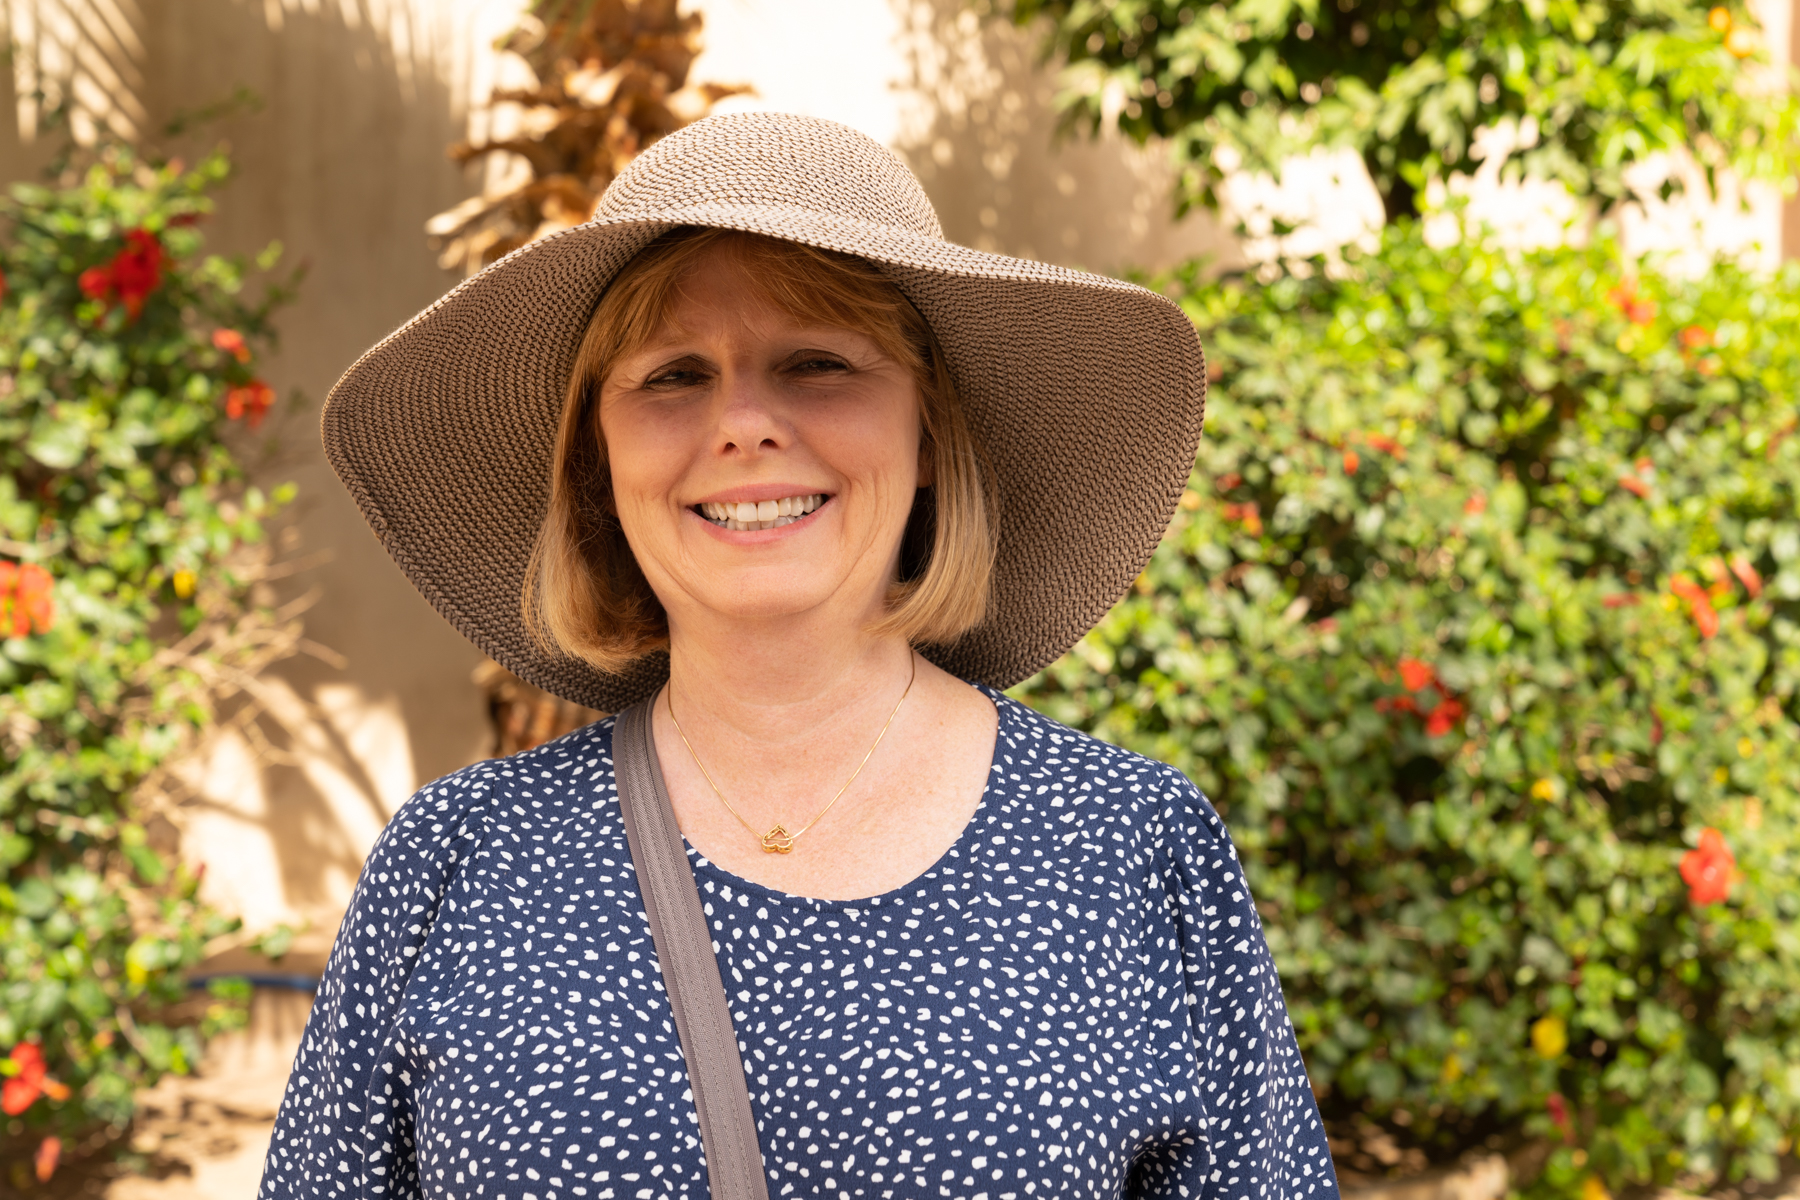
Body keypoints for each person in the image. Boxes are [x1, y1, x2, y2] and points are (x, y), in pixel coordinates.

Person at [258, 112, 1338, 1199]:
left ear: (930, 432)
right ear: (599, 452)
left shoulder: (1127, 846)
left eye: (817, 362)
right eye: (672, 376)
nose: (742, 425)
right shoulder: (458, 862)